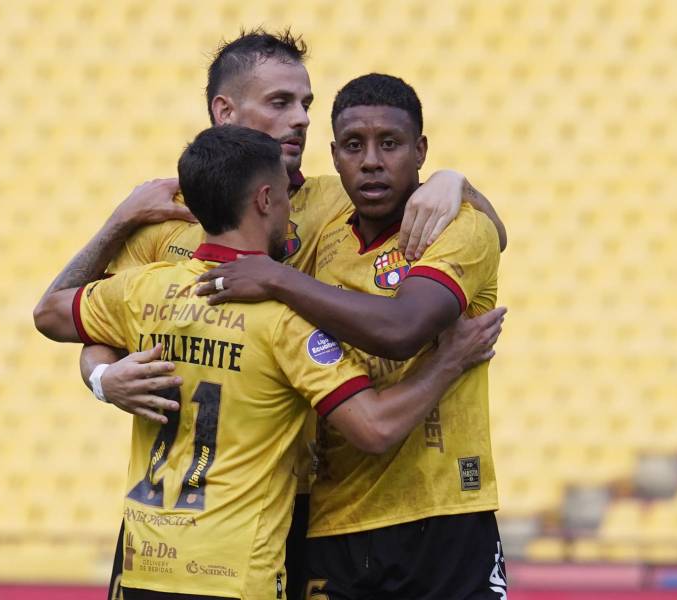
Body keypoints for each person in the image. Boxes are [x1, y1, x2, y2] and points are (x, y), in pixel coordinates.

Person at [53, 29, 509, 600]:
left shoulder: (339, 197)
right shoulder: (165, 218)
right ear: (225, 111)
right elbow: (95, 323)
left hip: (297, 504)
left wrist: (451, 180)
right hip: (182, 520)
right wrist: (102, 376)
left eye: (306, 104)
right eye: (281, 102)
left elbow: (487, 232)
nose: (300, 119)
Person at [196, 75, 506, 599]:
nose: (372, 162)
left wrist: (457, 182)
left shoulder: (460, 228)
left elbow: (402, 329)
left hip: (445, 515)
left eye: (391, 144)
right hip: (335, 519)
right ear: (335, 156)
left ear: (420, 150)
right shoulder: (324, 230)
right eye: (354, 146)